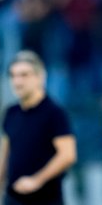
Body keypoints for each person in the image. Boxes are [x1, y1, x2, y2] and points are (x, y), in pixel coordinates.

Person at [0, 50, 77, 205]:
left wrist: (36, 180)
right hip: (13, 198)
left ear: (40, 78)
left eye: (24, 75)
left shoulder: (54, 112)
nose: (17, 81)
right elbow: (6, 153)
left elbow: (68, 155)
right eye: (13, 75)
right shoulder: (11, 112)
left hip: (46, 199)